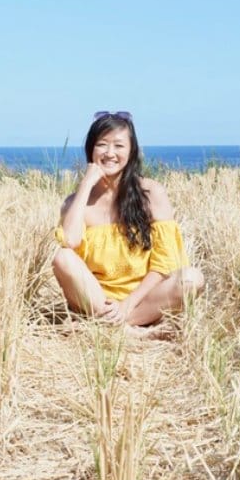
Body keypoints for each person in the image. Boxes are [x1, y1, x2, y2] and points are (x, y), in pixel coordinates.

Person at [52, 112, 203, 332]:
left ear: (131, 151)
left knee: (192, 278)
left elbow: (164, 265)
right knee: (62, 256)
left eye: (119, 146)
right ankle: (119, 326)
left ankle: (112, 325)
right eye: (102, 145)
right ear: (91, 150)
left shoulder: (151, 193)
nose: (110, 153)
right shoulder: (76, 203)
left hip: (143, 300)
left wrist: (126, 305)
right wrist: (85, 186)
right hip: (95, 300)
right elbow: (70, 241)